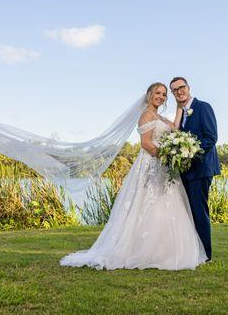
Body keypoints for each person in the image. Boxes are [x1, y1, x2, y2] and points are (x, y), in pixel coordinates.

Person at [59, 82, 207, 270]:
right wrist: (167, 157)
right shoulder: (146, 115)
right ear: (149, 95)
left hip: (163, 166)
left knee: (165, 205)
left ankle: (165, 250)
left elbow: (175, 130)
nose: (161, 97)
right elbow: (146, 143)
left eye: (164, 94)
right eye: (157, 93)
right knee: (148, 204)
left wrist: (179, 109)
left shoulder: (160, 116)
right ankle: (140, 250)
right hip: (152, 165)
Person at [169, 76, 220, 261]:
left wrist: (190, 153)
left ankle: (206, 254)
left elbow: (211, 137)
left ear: (188, 87)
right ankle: (192, 250)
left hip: (201, 169)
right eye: (174, 90)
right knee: (188, 212)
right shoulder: (181, 113)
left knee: (199, 211)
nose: (179, 92)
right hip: (186, 171)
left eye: (181, 87)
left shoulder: (203, 107)